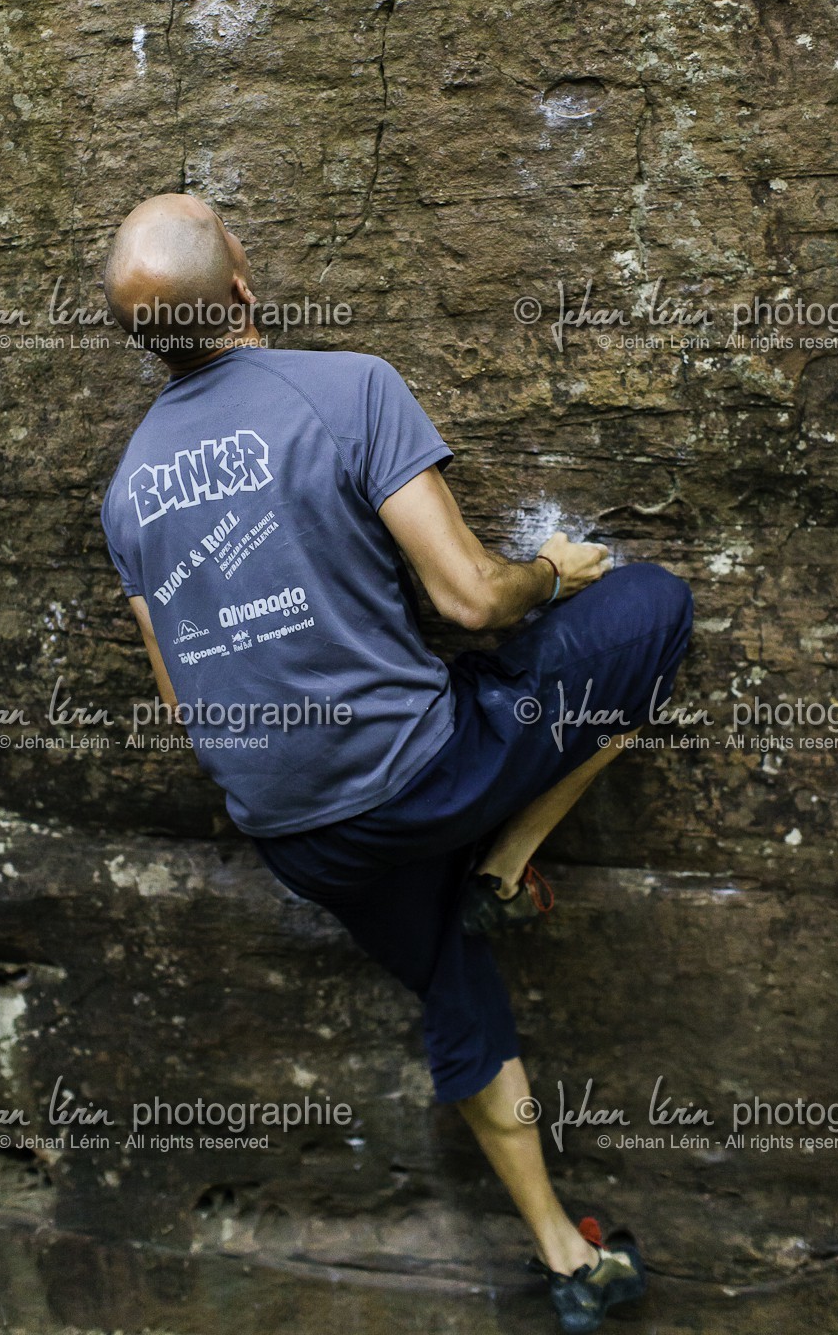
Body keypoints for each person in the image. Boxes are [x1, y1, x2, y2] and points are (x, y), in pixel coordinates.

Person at [99, 193, 694, 1334]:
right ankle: (506, 857)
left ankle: (564, 1263)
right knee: (654, 610)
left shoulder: (129, 493)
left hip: (302, 835)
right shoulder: (345, 388)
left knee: (451, 977)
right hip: (429, 776)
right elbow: (468, 598)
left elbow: (185, 705)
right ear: (240, 291)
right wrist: (556, 572)